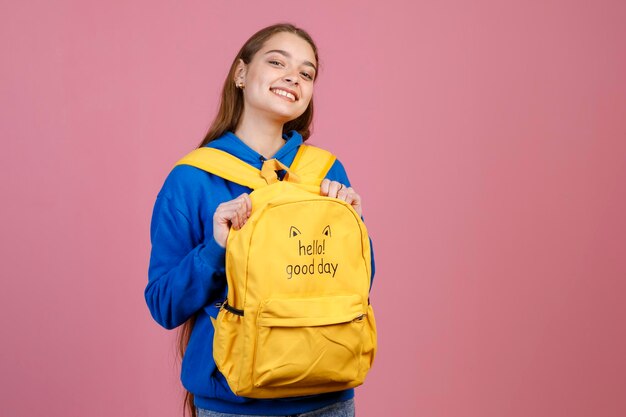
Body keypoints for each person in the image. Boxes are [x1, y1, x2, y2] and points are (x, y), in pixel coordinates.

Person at [145, 23, 374, 417]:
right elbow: (164, 305)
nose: (293, 77)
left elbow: (358, 285)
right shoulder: (193, 177)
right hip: (234, 404)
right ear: (240, 73)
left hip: (329, 395)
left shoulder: (327, 170)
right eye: (276, 62)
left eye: (306, 73)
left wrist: (351, 226)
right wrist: (216, 248)